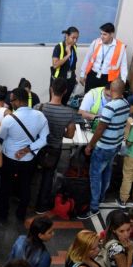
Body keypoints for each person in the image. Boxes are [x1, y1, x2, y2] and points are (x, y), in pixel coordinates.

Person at [0, 87, 49, 222]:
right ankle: (21, 214)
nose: (10, 103)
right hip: (29, 159)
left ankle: (3, 214)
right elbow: (44, 139)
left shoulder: (9, 119)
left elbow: (0, 140)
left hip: (9, 159)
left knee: (5, 187)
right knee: (26, 186)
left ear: (18, 101)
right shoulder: (40, 116)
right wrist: (28, 149)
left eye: (12, 100)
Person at [81, 79, 130, 218]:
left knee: (95, 175)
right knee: (107, 171)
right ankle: (101, 197)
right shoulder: (126, 103)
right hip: (115, 145)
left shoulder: (110, 107)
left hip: (103, 147)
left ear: (111, 90)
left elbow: (100, 129)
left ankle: (94, 207)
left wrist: (90, 145)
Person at [35, 76, 77, 213]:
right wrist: (61, 134)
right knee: (48, 176)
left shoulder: (39, 107)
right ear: (65, 91)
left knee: (33, 174)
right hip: (54, 149)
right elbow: (70, 135)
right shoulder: (69, 112)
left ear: (51, 89)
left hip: (37, 148)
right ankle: (41, 206)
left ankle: (28, 200)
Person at [78, 22, 128, 93]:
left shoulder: (121, 47)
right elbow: (87, 58)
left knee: (103, 100)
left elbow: (124, 66)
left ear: (112, 34)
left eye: (105, 34)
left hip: (108, 78)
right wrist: (82, 74)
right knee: (88, 97)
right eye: (101, 33)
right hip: (93, 75)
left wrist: (123, 82)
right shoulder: (96, 42)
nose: (102, 36)